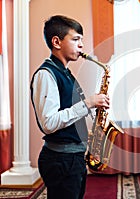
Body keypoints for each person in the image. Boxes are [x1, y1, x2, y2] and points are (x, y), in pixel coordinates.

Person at [30, 15, 109, 199]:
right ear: (56, 42)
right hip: (61, 161)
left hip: (72, 158)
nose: (81, 45)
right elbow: (48, 123)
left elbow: (69, 113)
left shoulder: (65, 72)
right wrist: (88, 103)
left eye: (81, 39)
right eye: (75, 39)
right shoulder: (46, 74)